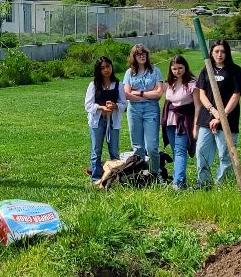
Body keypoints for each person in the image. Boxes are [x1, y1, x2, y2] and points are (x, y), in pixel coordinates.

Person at [193, 40, 241, 189]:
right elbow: (202, 94)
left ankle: (221, 186)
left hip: (228, 121)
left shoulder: (234, 70)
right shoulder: (207, 69)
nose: (219, 54)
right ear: (211, 53)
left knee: (226, 156)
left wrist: (221, 117)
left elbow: (236, 95)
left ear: (227, 53)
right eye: (216, 51)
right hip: (207, 119)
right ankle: (203, 184)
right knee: (201, 153)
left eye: (222, 51)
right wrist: (213, 111)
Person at [122, 44, 165, 177]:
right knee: (137, 146)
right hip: (134, 110)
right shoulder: (129, 72)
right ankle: (139, 173)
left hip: (151, 110)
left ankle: (155, 172)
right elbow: (126, 94)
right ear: (134, 57)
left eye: (144, 54)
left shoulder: (155, 71)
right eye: (138, 54)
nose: (141, 56)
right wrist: (148, 95)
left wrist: (140, 93)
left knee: (151, 146)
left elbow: (158, 93)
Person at [83, 56, 123, 183]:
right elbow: (88, 105)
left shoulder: (118, 84)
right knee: (96, 150)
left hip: (113, 121)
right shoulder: (93, 85)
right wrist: (101, 108)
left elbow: (124, 103)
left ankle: (115, 177)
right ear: (99, 70)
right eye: (103, 68)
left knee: (114, 150)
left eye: (108, 66)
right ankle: (96, 178)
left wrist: (115, 106)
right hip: (97, 121)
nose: (106, 70)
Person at [161, 54, 199, 190]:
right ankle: (179, 180)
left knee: (180, 151)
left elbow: (198, 106)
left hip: (184, 119)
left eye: (180, 68)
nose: (177, 71)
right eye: (174, 69)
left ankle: (179, 182)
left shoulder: (192, 83)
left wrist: (195, 126)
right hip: (170, 120)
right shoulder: (170, 83)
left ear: (185, 67)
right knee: (175, 150)